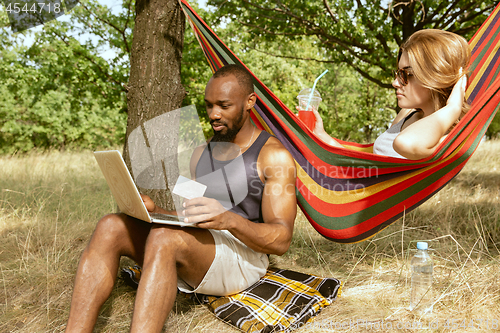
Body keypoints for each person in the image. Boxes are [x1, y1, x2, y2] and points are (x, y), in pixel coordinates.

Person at [65, 64, 297, 333]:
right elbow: (189, 217)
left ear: (250, 102)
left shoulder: (273, 156)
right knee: (110, 225)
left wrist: (229, 220)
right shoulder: (201, 153)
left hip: (245, 257)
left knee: (164, 238)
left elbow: (282, 239)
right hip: (203, 245)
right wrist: (153, 210)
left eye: (224, 105)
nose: (214, 114)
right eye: (209, 105)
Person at [311, 29, 470, 160]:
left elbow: (406, 143)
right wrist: (322, 135)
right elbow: (369, 163)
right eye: (397, 73)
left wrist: (453, 107)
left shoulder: (448, 136)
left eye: (406, 74)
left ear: (434, 77)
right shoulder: (407, 113)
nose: (395, 83)